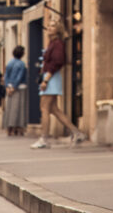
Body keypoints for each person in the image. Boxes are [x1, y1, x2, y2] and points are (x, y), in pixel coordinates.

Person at [32, 20, 86, 149]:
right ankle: (77, 133)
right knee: (54, 109)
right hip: (50, 77)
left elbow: (57, 62)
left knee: (44, 108)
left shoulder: (57, 44)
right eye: (49, 25)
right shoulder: (52, 43)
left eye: (52, 26)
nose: (49, 27)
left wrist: (46, 79)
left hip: (51, 77)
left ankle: (44, 139)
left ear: (58, 29)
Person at [3, 46, 27, 136]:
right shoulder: (21, 64)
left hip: (9, 87)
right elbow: (19, 76)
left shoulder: (10, 63)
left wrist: (7, 87)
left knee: (10, 108)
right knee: (19, 108)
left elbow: (6, 76)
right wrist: (14, 87)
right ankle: (19, 127)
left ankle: (9, 128)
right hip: (19, 87)